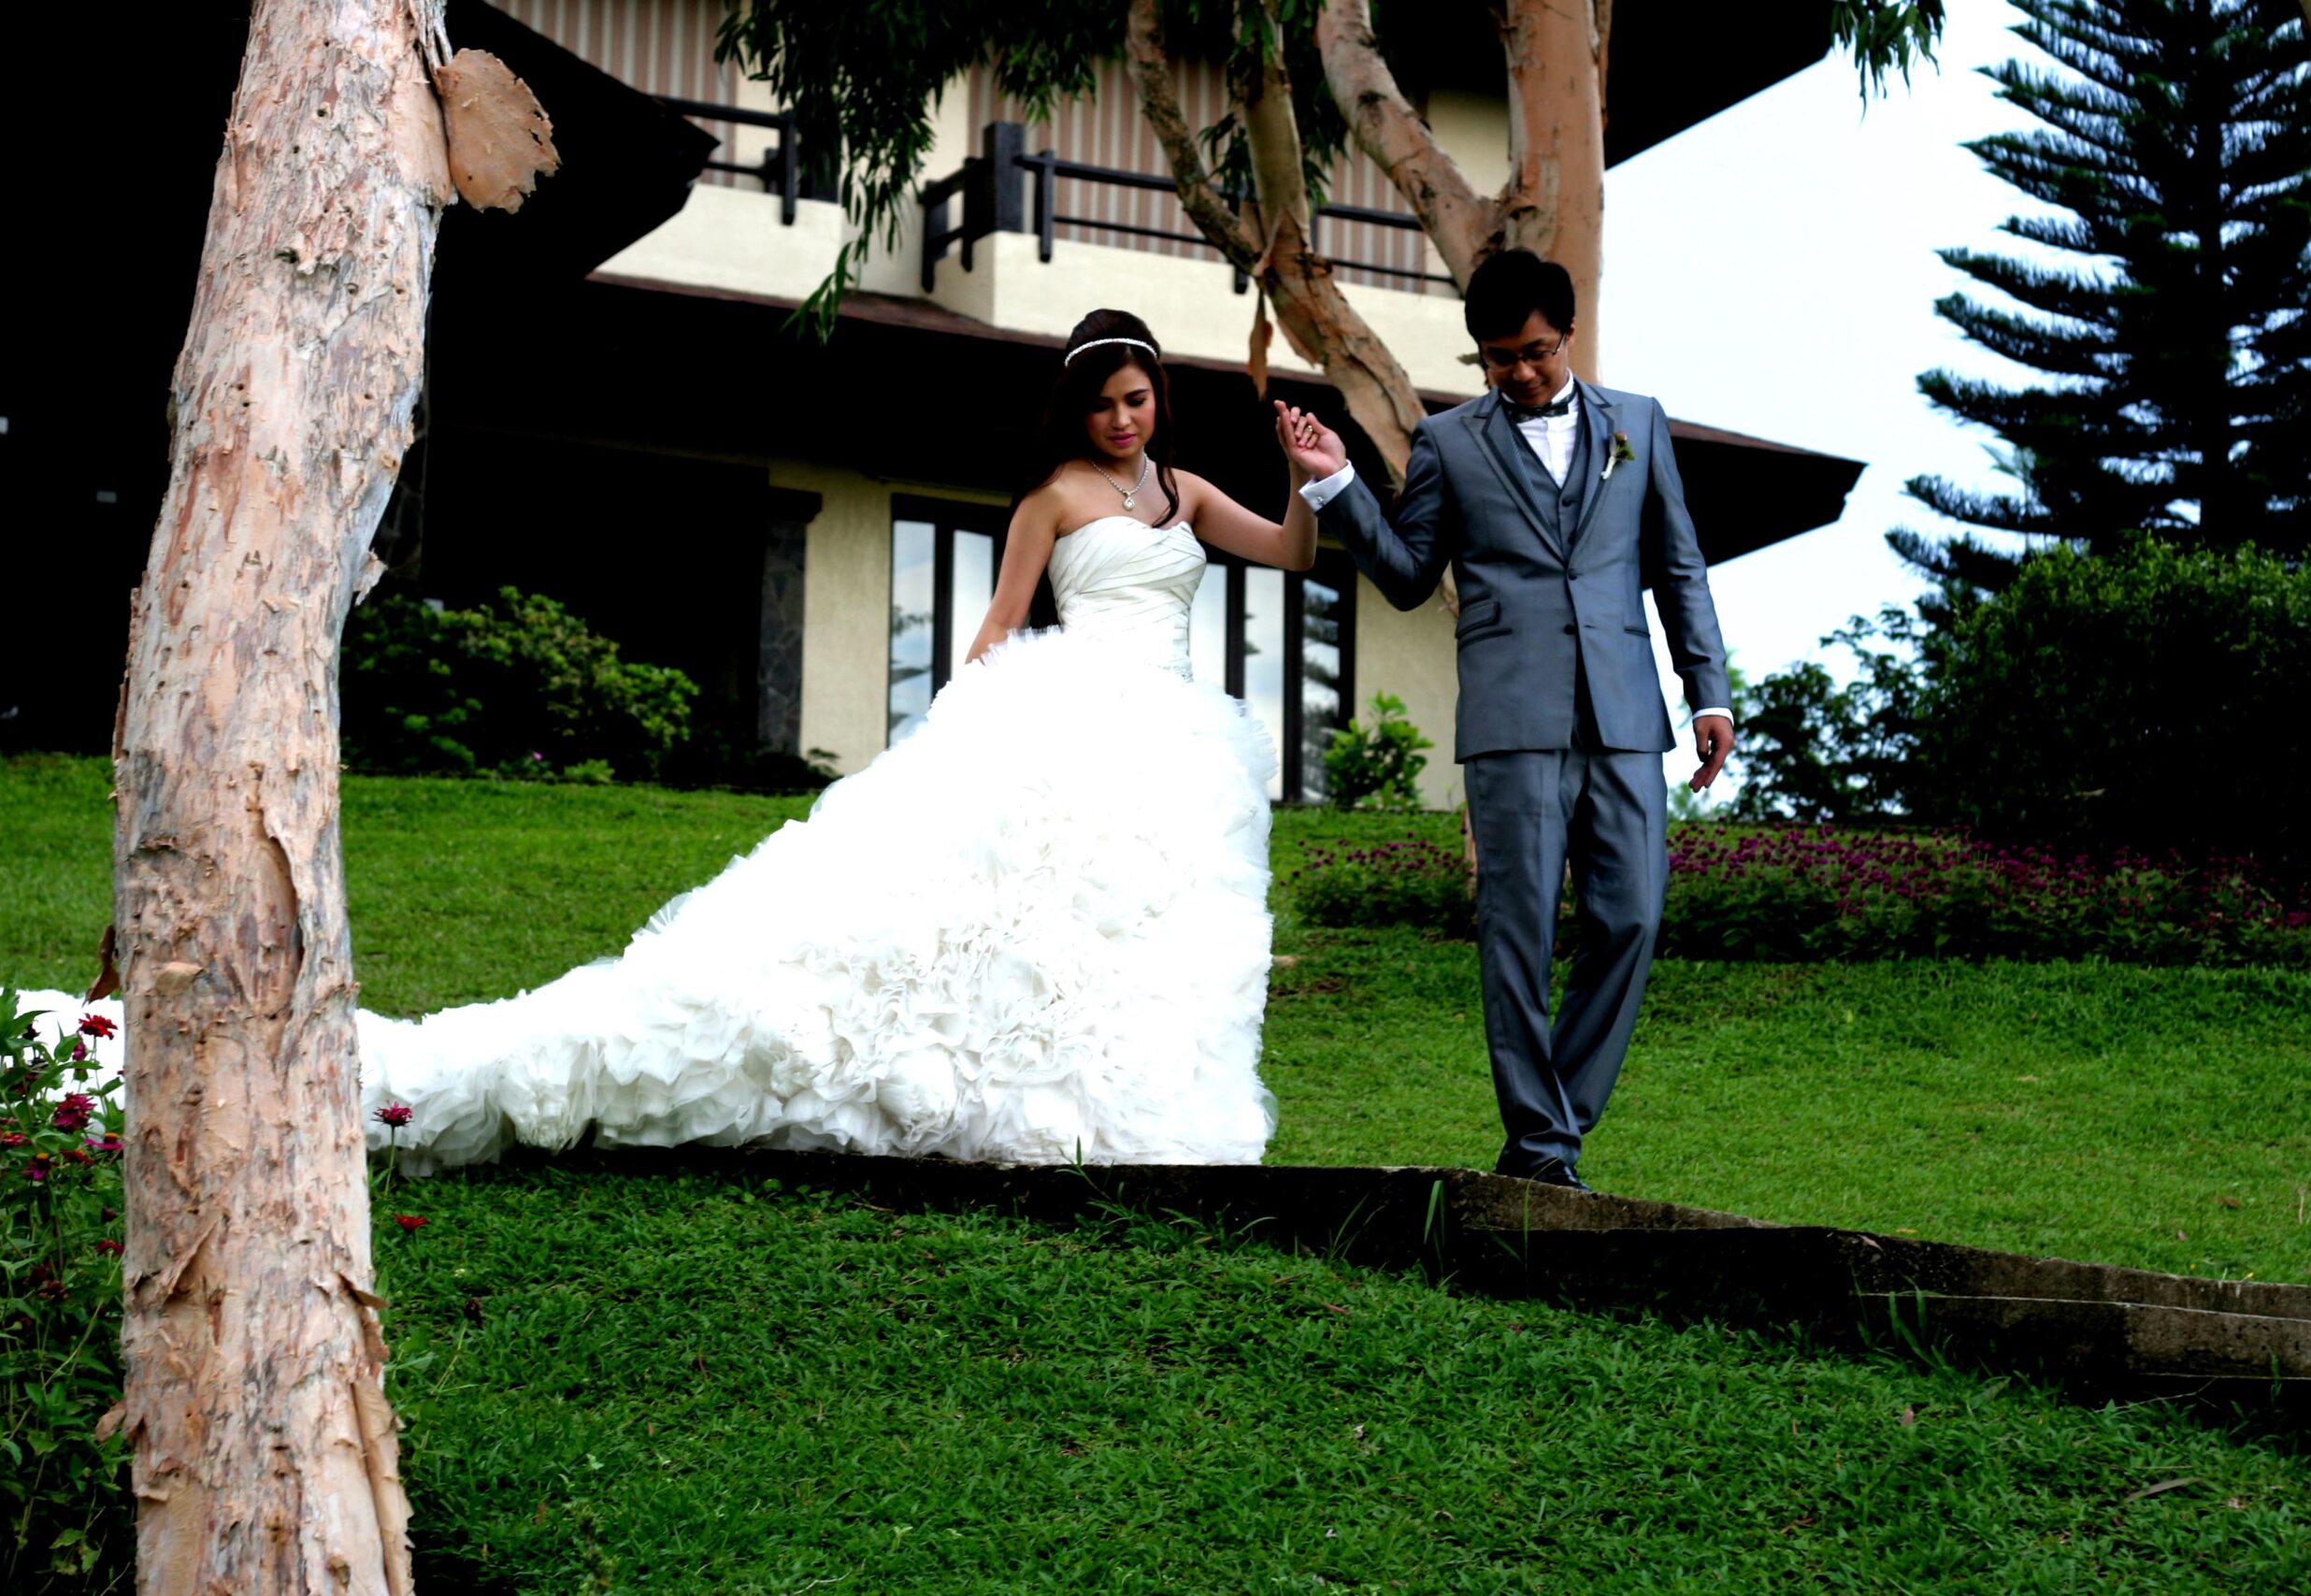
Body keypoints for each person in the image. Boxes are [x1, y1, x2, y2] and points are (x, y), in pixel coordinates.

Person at [332, 309, 1320, 1172]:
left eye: (1135, 400)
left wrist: (1301, 476)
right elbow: (1001, 620)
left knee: (1126, 928)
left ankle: (1101, 1104)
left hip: (1171, 740)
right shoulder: (1054, 495)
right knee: (982, 912)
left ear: (1158, 399)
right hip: (1068, 711)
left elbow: (1286, 550)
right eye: (1102, 404)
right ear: (1076, 410)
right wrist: (962, 732)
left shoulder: (1185, 492)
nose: (1121, 419)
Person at [1276, 250, 1733, 1192]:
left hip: (1624, 713)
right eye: (1497, 358)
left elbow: (1677, 567)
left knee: (1633, 917)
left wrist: (1708, 690)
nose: (1518, 372)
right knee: (1517, 931)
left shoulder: (1638, 423)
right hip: (1511, 717)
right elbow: (1409, 576)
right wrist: (1337, 485)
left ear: (1567, 334)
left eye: (1534, 352)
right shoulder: (1448, 443)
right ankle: (1542, 1146)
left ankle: (1549, 1130)